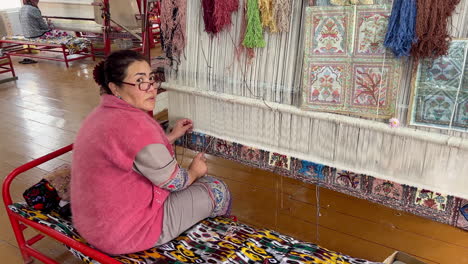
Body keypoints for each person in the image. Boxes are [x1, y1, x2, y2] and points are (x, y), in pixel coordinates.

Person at [71, 50, 231, 255]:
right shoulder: (136, 128)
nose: (151, 89)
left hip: (91, 224)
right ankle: (221, 240)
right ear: (115, 88)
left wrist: (170, 136)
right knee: (217, 188)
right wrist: (195, 170)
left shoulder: (101, 115)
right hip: (124, 233)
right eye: (140, 81)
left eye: (151, 79)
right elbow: (176, 182)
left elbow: (132, 151)